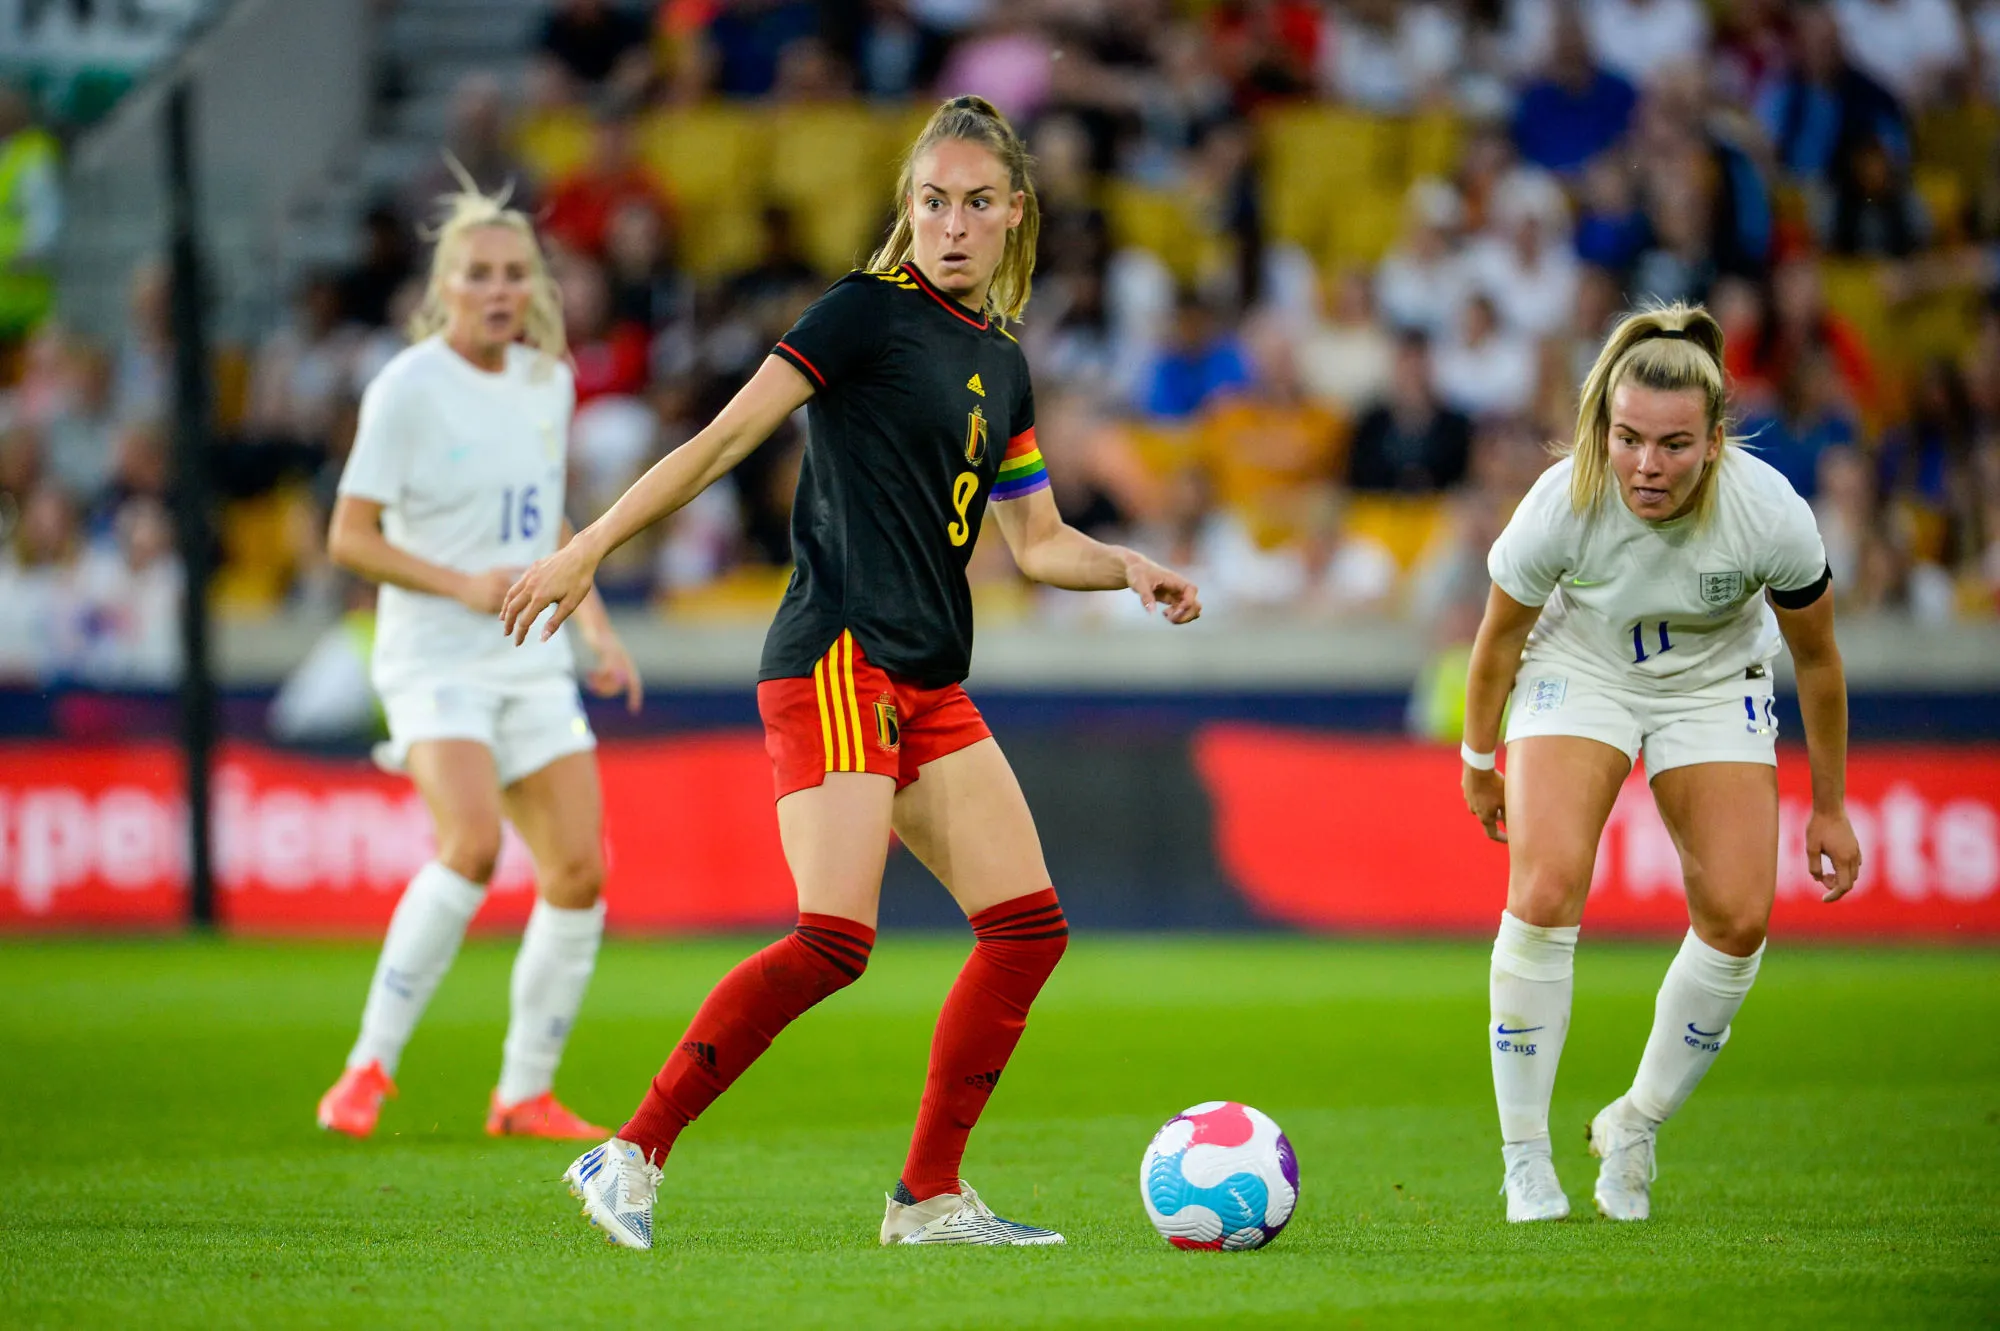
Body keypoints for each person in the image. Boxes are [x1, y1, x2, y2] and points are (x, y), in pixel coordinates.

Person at [501, 95, 1201, 1250]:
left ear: (1014, 213)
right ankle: (626, 1151)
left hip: (924, 679)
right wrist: (588, 547)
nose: (952, 224)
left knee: (1026, 928)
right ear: (906, 209)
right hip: (839, 654)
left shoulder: (1001, 364)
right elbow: (726, 436)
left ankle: (927, 1196)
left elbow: (1032, 543)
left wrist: (1126, 565)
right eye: (932, 201)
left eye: (977, 203)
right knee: (834, 938)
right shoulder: (864, 315)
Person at [1458, 303, 1863, 1224]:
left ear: (1717, 440)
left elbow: (1820, 660)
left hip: (1714, 680)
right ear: (1604, 427)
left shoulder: (1771, 514)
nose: (1647, 465)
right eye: (1630, 438)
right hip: (1582, 666)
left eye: (1675, 445)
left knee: (1737, 916)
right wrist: (1480, 757)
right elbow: (1495, 645)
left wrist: (1830, 807)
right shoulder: (1561, 501)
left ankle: (1636, 1121)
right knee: (1549, 883)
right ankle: (1525, 1159)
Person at [315, 174, 643, 1143]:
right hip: (434, 655)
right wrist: (455, 584)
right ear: (444, 286)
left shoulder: (548, 380)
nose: (498, 289)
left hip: (528, 653)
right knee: (468, 843)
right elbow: (347, 535)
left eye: (514, 272)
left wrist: (594, 623)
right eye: (478, 274)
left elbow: (547, 519)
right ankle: (367, 1065)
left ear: (533, 284)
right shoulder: (406, 387)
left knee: (579, 870)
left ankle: (523, 1090)